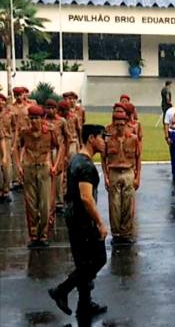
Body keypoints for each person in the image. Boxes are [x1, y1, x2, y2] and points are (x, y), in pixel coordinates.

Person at [48, 124, 108, 319]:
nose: (104, 141)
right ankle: (61, 290)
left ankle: (84, 304)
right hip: (83, 221)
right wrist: (99, 222)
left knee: (84, 262)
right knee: (97, 259)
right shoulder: (85, 165)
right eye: (101, 137)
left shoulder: (77, 160)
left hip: (74, 218)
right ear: (91, 138)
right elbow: (86, 197)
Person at [18, 105, 63, 248]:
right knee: (31, 205)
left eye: (36, 118)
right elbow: (17, 147)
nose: (33, 121)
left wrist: (55, 165)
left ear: (42, 119)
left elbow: (60, 146)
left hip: (44, 168)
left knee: (45, 205)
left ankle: (43, 235)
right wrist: (19, 166)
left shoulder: (49, 132)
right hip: (29, 168)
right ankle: (33, 236)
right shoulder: (24, 132)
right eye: (31, 118)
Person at [102, 112, 141, 245]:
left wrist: (138, 177)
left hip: (128, 171)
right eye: (117, 124)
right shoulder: (108, 140)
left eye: (122, 124)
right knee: (114, 205)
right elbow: (103, 158)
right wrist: (106, 176)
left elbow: (138, 157)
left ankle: (126, 233)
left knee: (128, 204)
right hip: (114, 171)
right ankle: (116, 233)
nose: (119, 127)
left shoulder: (133, 138)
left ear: (126, 124)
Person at [163, 95, 175, 184]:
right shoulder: (170, 111)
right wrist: (167, 136)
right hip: (173, 132)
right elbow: (166, 124)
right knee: (174, 154)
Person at [0, 94, 11, 202]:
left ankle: (6, 189)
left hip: (6, 140)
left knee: (6, 165)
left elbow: (14, 127)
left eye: (2, 100)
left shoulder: (9, 114)